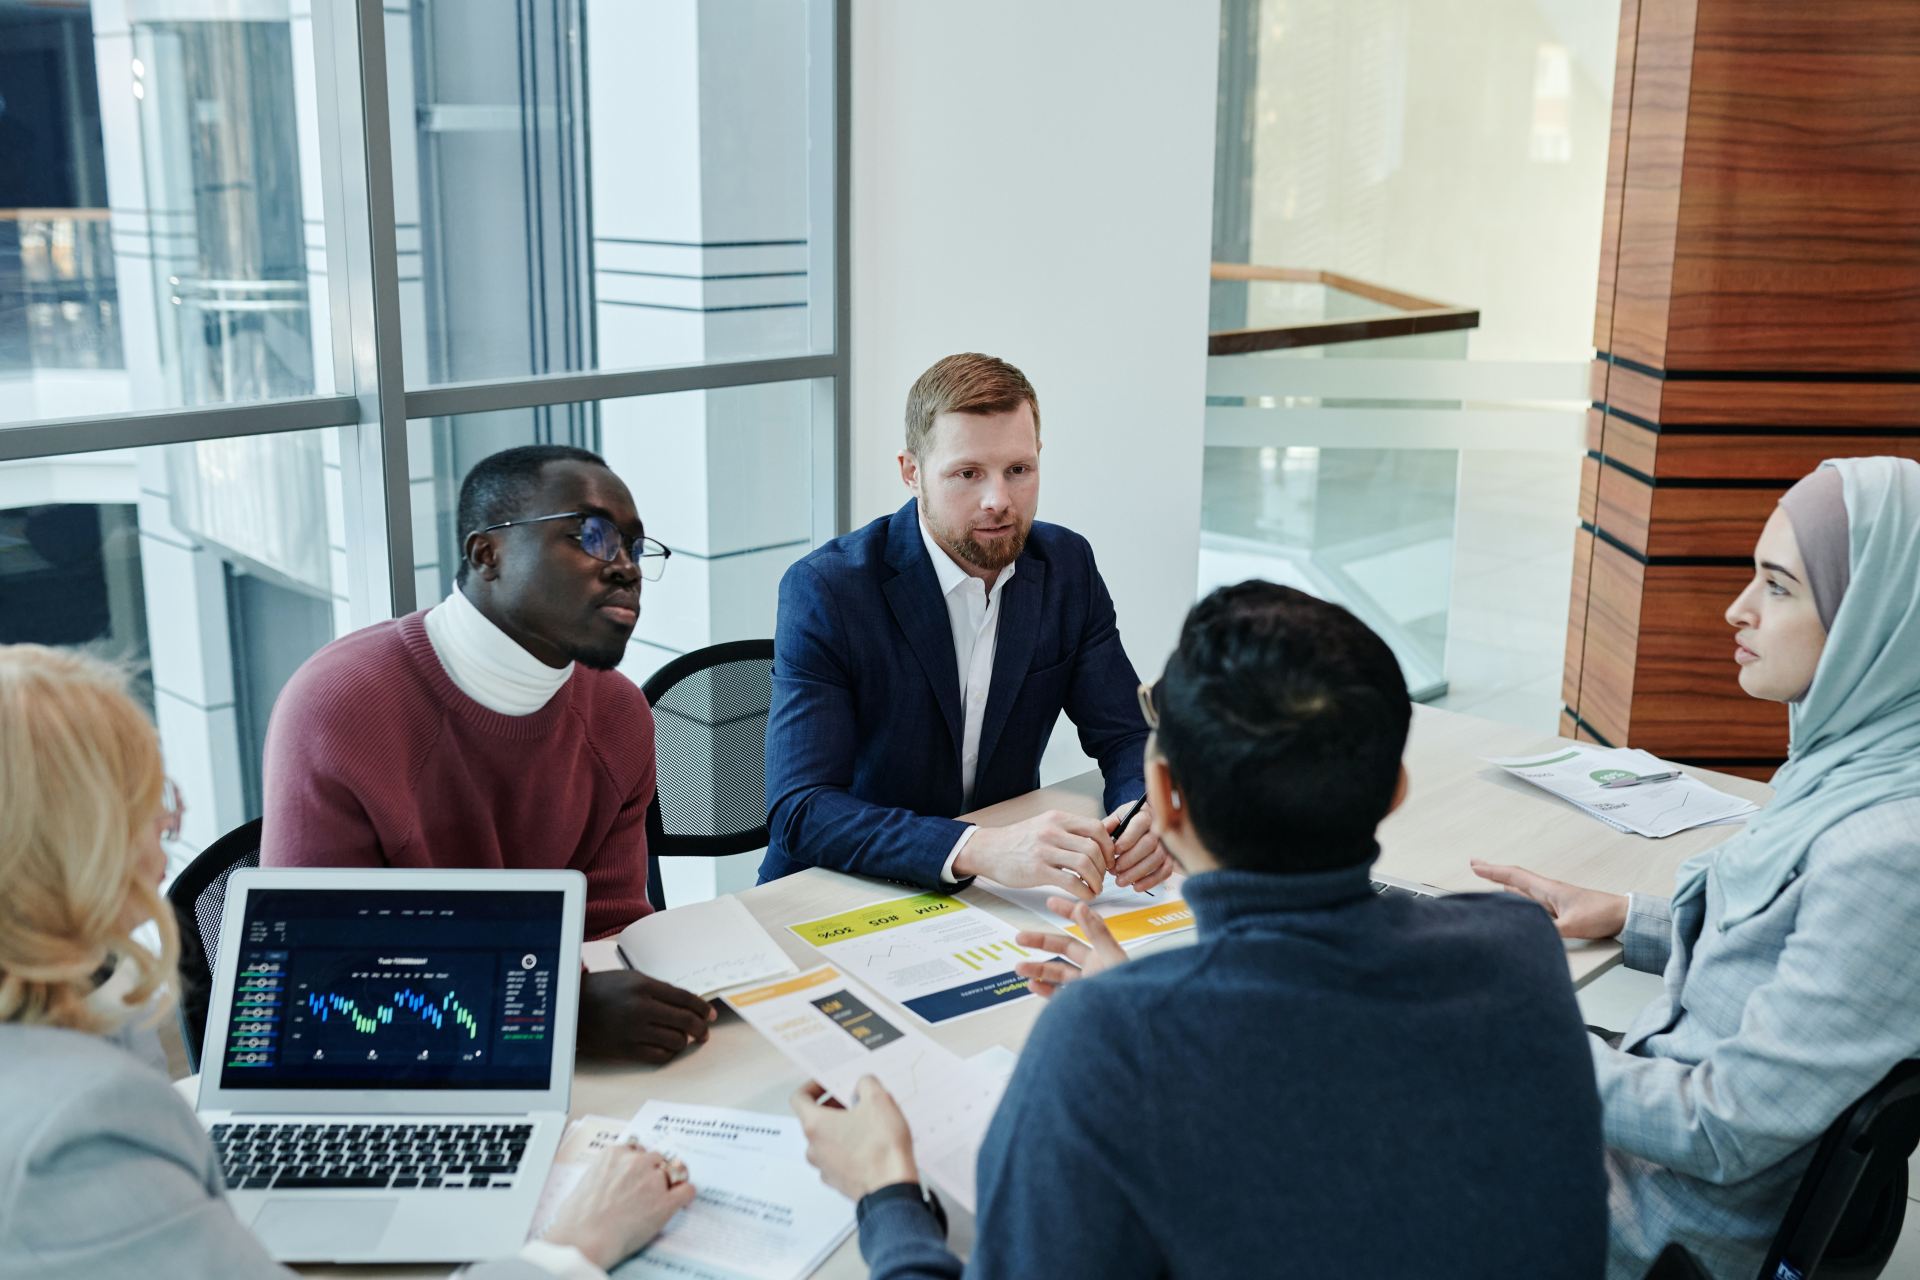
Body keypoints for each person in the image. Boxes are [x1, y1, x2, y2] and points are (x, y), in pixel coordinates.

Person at [790, 582, 1609, 1278]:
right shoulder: (1518, 949)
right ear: (1395, 791)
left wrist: (887, 1194)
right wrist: (1142, 1011)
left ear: (1166, 798)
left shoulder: (1103, 1043)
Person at [0, 644, 696, 1279]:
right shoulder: (84, 1121)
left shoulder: (76, 1019)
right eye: (149, 799)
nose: (168, 825)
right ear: (75, 843)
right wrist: (575, 1245)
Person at [1474, 456, 1920, 1279]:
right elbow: (1783, 945)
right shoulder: (1858, 764)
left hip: (1660, 1223)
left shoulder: (1891, 853)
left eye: (1778, 588)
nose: (1736, 611)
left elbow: (1722, 1129)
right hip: (1653, 1149)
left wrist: (1516, 1042)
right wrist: (1625, 916)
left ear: (1876, 619)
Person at [260, 445, 713, 1064]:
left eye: (634, 548)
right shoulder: (339, 706)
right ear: (486, 554)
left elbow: (607, 927)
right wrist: (564, 1014)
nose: (626, 568)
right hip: (391, 1071)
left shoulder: (617, 714)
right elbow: (317, 977)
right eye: (592, 536)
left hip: (557, 1065)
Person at [762, 352, 1170, 899]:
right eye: (967, 473)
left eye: (1018, 470)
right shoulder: (829, 590)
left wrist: (1146, 811)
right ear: (912, 472)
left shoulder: (1066, 566)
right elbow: (802, 809)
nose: (998, 500)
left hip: (998, 892)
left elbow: (1125, 733)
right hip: (842, 887)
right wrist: (977, 847)